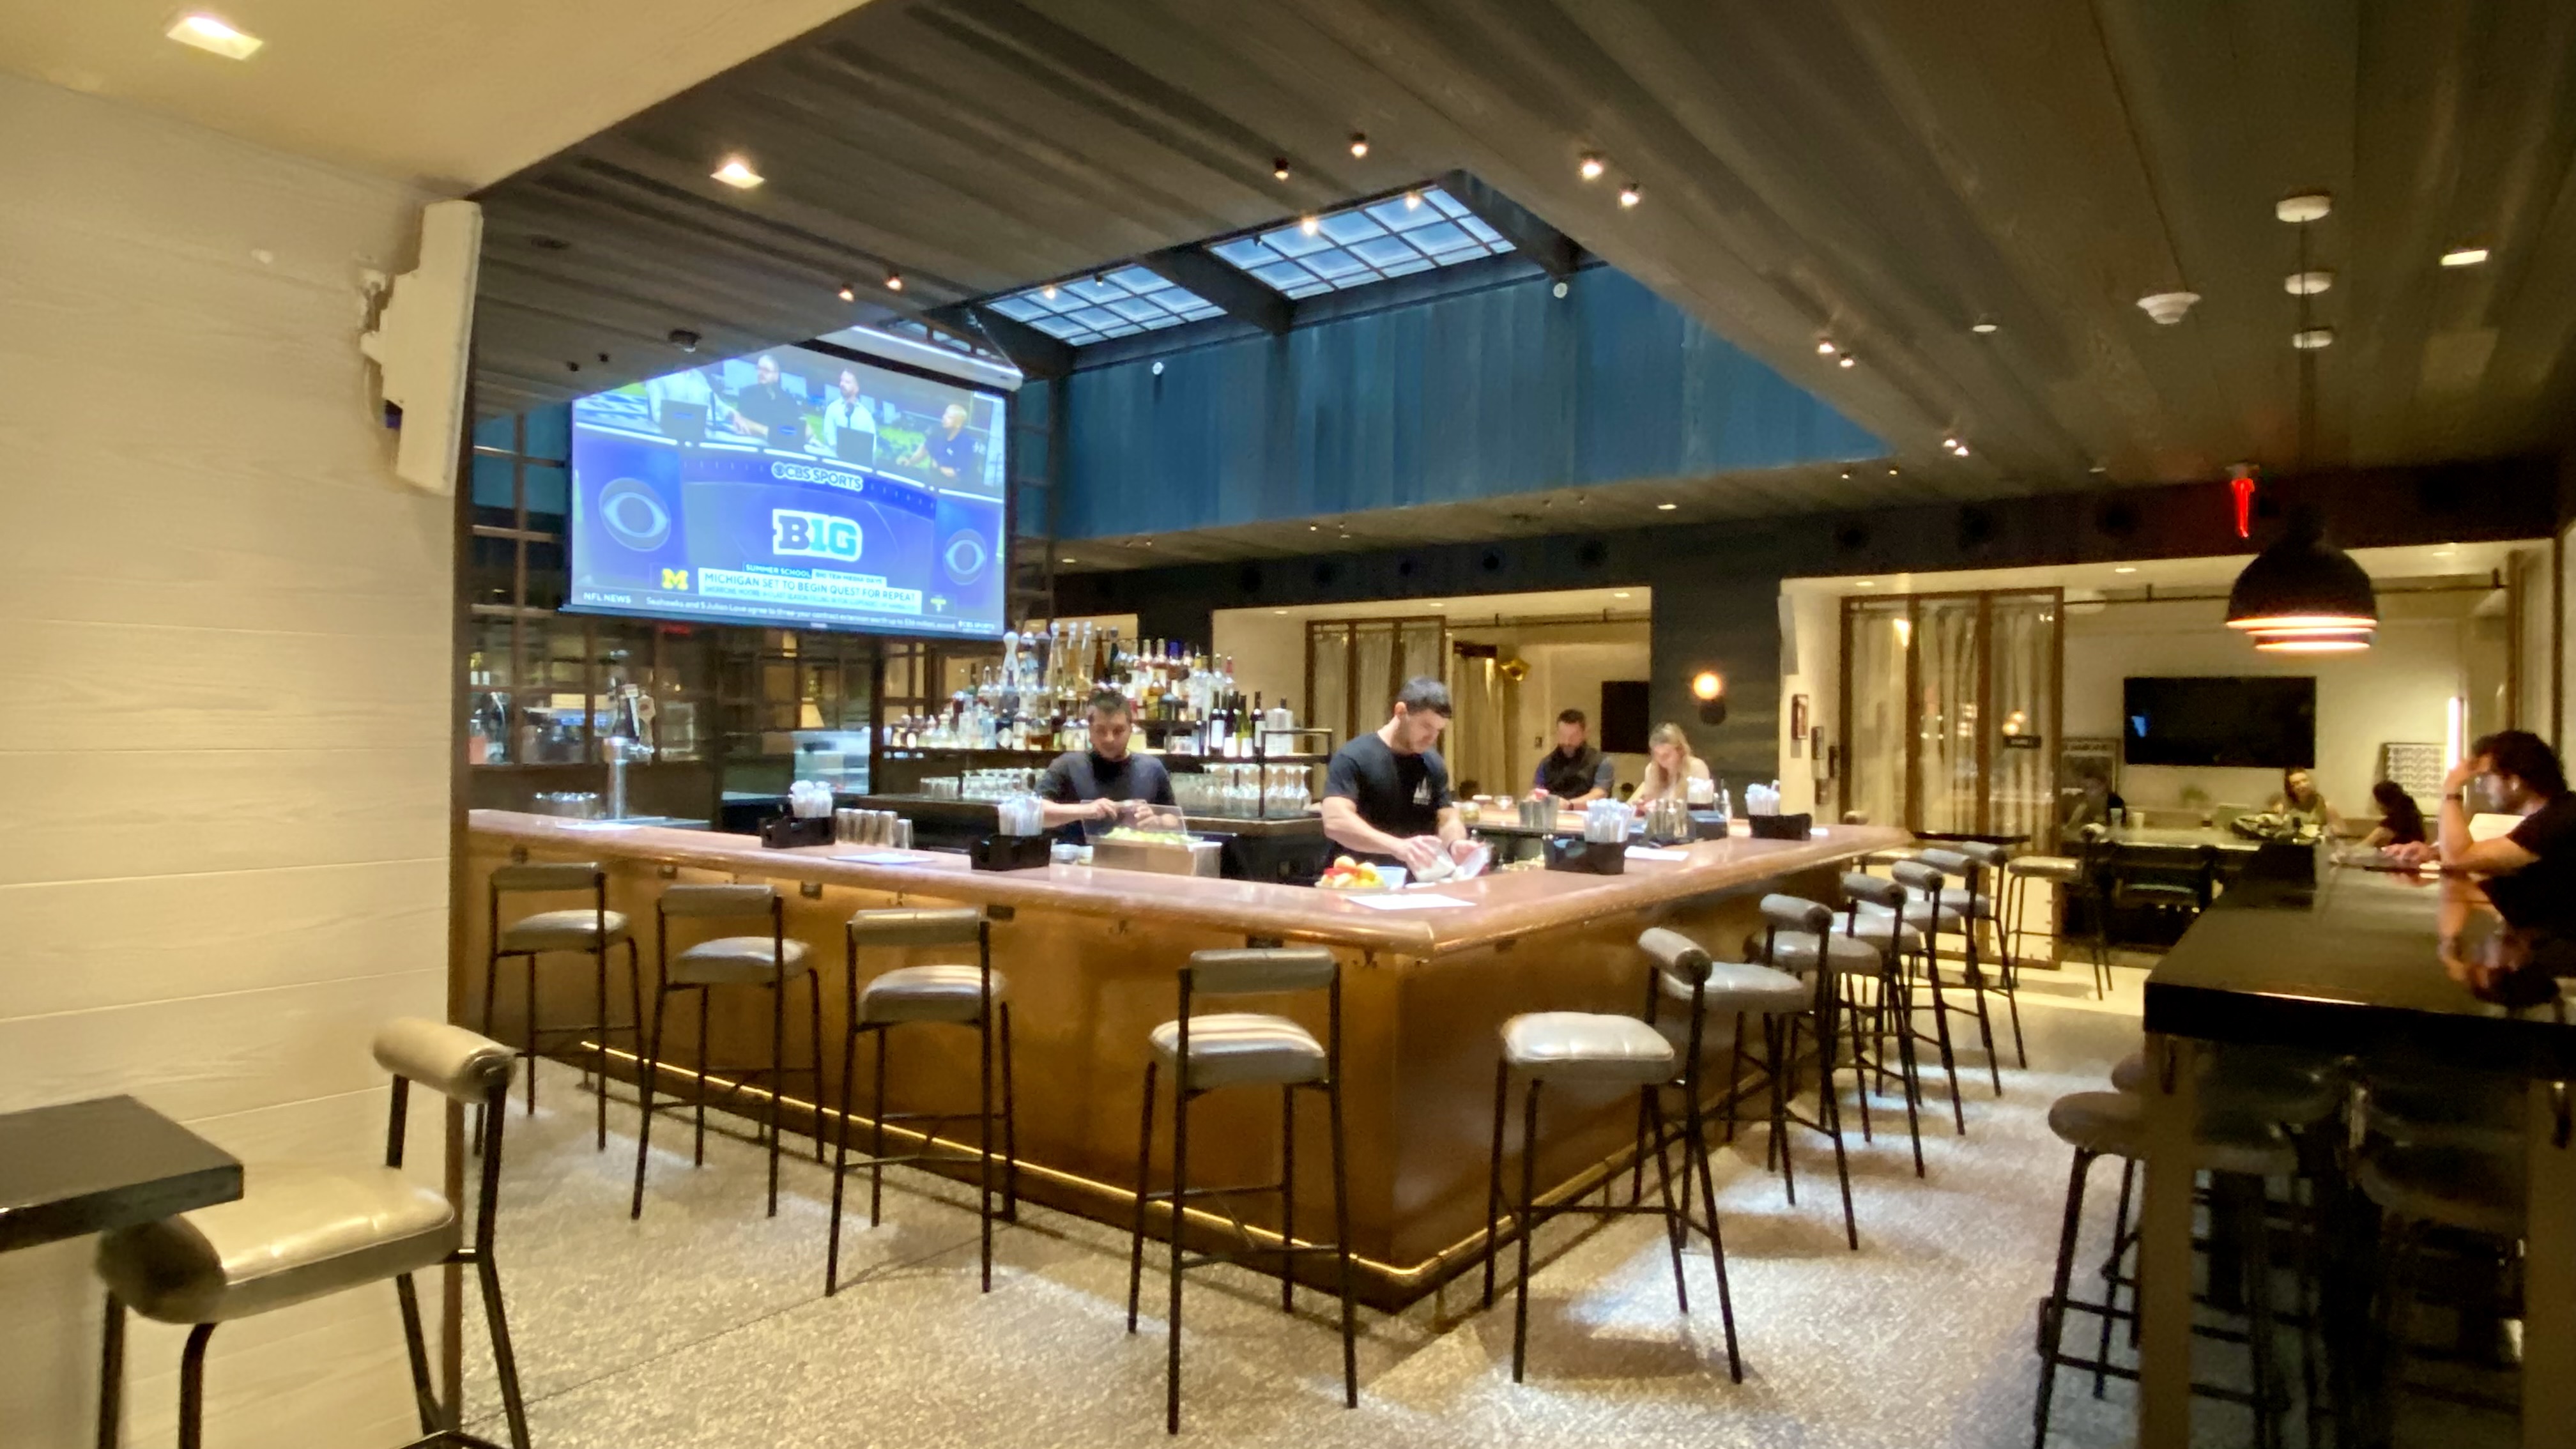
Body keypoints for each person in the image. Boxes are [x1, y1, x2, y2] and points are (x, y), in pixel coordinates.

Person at [2391, 732, 2576, 988]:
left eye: (2486, 778)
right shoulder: (2556, 814)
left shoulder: (2558, 819)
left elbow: (2461, 857)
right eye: (2481, 963)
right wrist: (2435, 852)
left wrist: (2450, 789)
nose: (2481, 787)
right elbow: (2478, 859)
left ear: (2514, 781)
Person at [1321, 676, 1478, 875]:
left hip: (1414, 884)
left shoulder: (1433, 763)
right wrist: (1398, 847)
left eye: (1439, 730)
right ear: (1400, 711)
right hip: (1358, 880)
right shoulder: (1354, 756)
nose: (1432, 737)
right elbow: (1336, 822)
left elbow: (1447, 818)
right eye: (1426, 726)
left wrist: (1455, 843)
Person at [1038, 689, 1177, 842]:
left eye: (1118, 731)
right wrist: (1086, 810)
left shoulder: (1152, 769)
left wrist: (1157, 822)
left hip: (1134, 862)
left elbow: (1175, 819)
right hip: (1076, 862)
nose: (1109, 739)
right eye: (1101, 730)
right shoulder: (1067, 765)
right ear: (1090, 731)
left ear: (1131, 729)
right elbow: (1035, 813)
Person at [1531, 709, 1614, 804]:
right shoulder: (1546, 763)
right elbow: (1537, 791)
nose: (1567, 742)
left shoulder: (1601, 762)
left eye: (1573, 736)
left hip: (1587, 817)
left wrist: (1569, 805)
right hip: (1553, 816)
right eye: (1563, 735)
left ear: (1584, 734)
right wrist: (1534, 797)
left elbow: (1600, 794)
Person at [728, 354, 807, 444]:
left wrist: (809, 438)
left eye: (766, 371)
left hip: (783, 448)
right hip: (752, 445)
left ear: (776, 375)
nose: (761, 373)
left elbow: (802, 426)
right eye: (759, 369)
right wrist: (767, 432)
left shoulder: (789, 400)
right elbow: (740, 420)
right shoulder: (747, 393)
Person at [1630, 721, 1712, 806]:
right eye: (1657, 755)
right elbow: (1649, 803)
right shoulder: (1651, 769)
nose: (1661, 760)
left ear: (1680, 751)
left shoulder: (1697, 767)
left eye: (1666, 755)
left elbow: (1702, 809)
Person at [902, 402, 983, 480]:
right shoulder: (938, 432)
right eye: (945, 414)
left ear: (959, 424)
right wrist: (910, 462)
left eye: (949, 417)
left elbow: (958, 474)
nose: (944, 418)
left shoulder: (965, 443)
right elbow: (924, 449)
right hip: (934, 479)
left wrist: (938, 467)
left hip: (957, 486)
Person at [818, 369, 878, 463]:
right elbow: (829, 437)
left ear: (857, 388)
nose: (842, 384)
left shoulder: (866, 416)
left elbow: (872, 446)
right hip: (834, 462)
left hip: (859, 464)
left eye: (847, 382)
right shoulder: (833, 408)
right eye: (841, 381)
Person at [2358, 779, 2427, 850]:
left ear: (2383, 803)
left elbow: (2362, 847)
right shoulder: (2414, 820)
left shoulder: (2389, 827)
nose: (2375, 804)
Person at [2271, 768, 2342, 836]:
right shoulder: (2283, 807)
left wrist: (2335, 830)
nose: (2302, 785)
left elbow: (2341, 831)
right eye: (2296, 783)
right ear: (2291, 788)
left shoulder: (2325, 805)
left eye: (2305, 780)